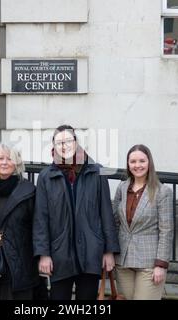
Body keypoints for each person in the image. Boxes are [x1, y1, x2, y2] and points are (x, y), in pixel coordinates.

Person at [33, 124, 120, 300]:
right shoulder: (45, 177)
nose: (64, 146)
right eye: (59, 143)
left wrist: (109, 251)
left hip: (90, 253)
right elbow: (40, 219)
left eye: (68, 141)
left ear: (76, 142)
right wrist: (43, 254)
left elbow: (106, 212)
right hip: (59, 255)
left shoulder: (97, 171)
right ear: (53, 147)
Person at [0, 143, 40, 300]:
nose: (4, 162)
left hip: (22, 262)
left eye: (9, 158)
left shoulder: (29, 191)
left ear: (17, 163)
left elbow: (38, 227)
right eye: (0, 158)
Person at [112, 144, 173, 300]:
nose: (137, 165)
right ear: (128, 164)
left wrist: (160, 264)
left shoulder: (162, 191)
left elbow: (166, 230)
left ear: (149, 163)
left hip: (150, 262)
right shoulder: (122, 188)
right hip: (123, 261)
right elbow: (115, 223)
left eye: (142, 161)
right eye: (133, 161)